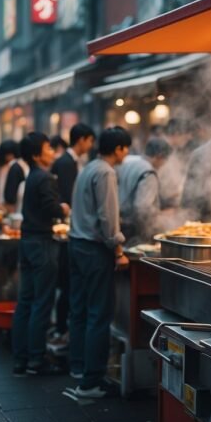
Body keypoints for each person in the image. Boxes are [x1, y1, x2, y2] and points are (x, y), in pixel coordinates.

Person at [67, 126, 131, 399]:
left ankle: (79, 368)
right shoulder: (106, 171)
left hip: (76, 246)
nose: (126, 153)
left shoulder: (89, 167)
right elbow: (108, 217)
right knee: (98, 315)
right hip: (94, 251)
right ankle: (91, 382)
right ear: (118, 149)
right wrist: (118, 249)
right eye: (125, 148)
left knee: (80, 311)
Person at [12, 132, 70, 377]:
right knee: (42, 302)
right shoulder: (44, 177)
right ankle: (36, 359)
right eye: (48, 148)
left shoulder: (32, 176)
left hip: (27, 242)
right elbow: (51, 208)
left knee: (25, 301)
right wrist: (63, 209)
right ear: (36, 155)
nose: (52, 152)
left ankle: (21, 359)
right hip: (42, 243)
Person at [49, 123, 95, 352]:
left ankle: (62, 328)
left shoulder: (71, 162)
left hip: (70, 229)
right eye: (90, 140)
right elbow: (68, 198)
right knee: (67, 285)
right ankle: (61, 329)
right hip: (68, 229)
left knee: (67, 285)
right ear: (82, 140)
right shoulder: (67, 163)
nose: (91, 145)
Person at [117, 137, 172, 245]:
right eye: (165, 160)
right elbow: (142, 207)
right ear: (159, 156)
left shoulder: (128, 162)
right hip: (134, 229)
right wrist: (158, 218)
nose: (164, 164)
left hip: (120, 223)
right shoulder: (148, 173)